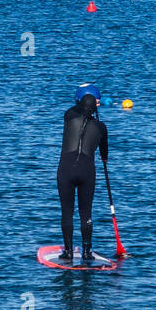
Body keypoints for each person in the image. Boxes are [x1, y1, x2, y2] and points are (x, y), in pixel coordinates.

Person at [57, 83, 109, 264]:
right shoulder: (102, 127)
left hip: (66, 170)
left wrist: (87, 101)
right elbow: (104, 156)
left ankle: (68, 252)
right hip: (87, 171)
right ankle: (87, 252)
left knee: (67, 212)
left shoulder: (69, 117)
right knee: (86, 212)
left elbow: (76, 107)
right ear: (94, 107)